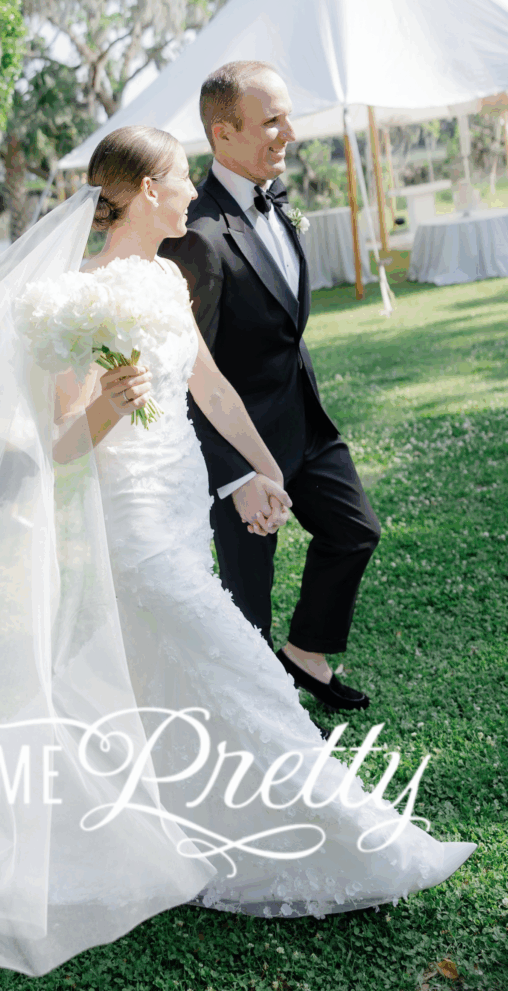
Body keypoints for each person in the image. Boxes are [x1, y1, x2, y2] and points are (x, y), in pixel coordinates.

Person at [0, 129, 475, 989]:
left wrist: (263, 467)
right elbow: (58, 447)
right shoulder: (66, 297)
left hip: (180, 507)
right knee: (238, 662)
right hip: (127, 523)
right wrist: (108, 408)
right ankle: (351, 838)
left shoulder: (168, 277)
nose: (189, 198)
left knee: (170, 676)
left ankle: (174, 814)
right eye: (175, 182)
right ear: (140, 191)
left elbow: (211, 387)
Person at [160, 61, 380, 712]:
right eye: (271, 121)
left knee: (354, 531)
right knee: (247, 607)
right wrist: (234, 474)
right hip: (241, 450)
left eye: (287, 115)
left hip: (306, 428)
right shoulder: (195, 236)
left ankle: (306, 657)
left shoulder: (275, 197)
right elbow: (185, 376)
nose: (287, 132)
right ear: (222, 133)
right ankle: (257, 728)